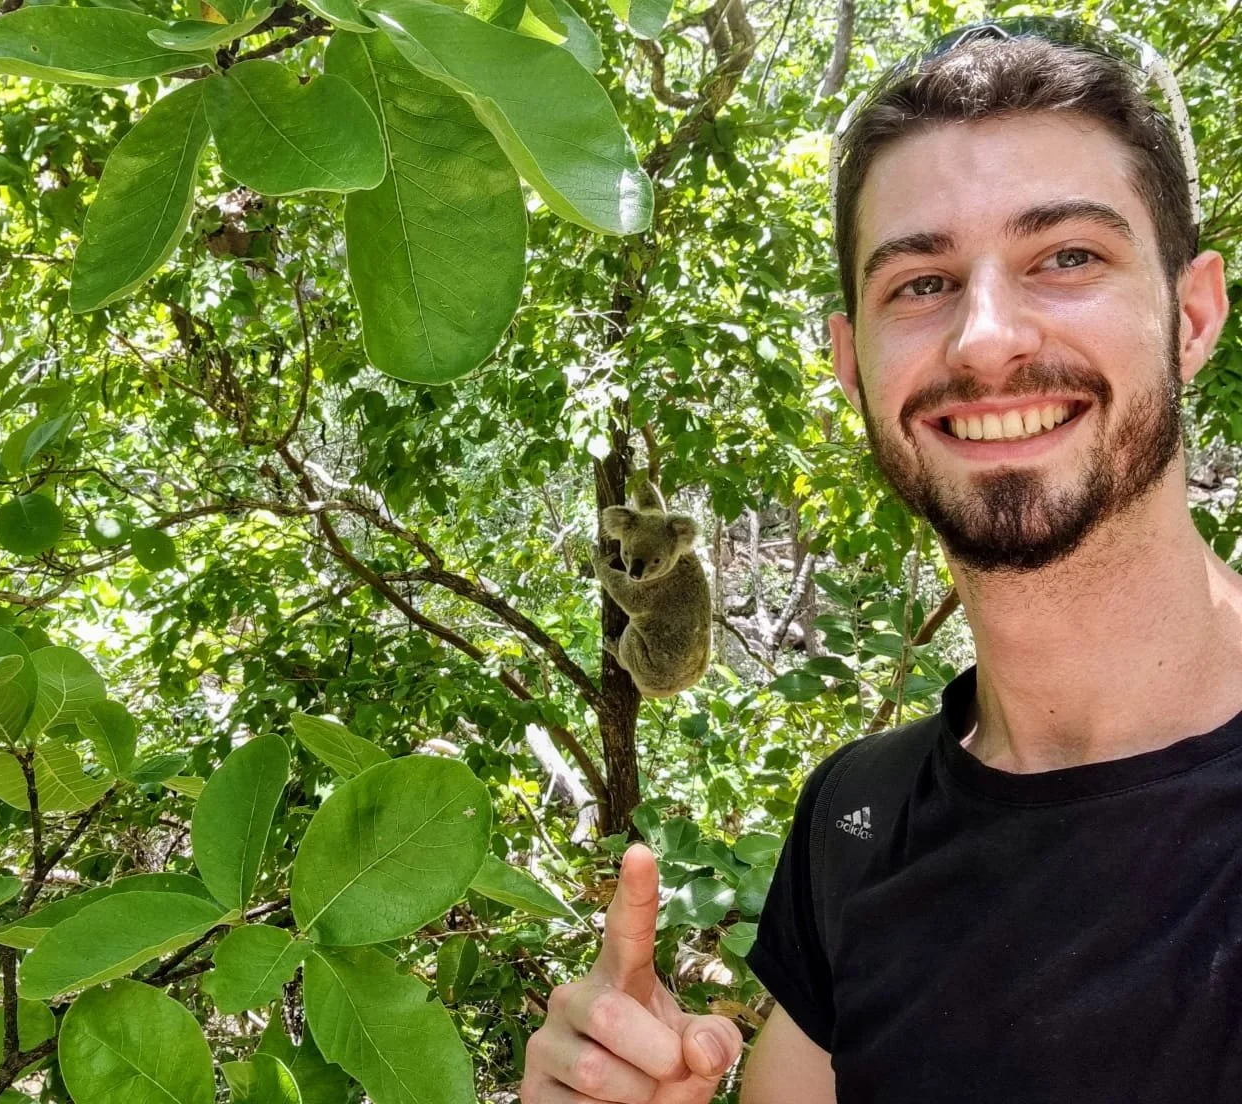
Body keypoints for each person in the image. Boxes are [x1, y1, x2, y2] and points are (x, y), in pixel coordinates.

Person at [520, 16, 1236, 1103]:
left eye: (1066, 257)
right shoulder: (855, 817)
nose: (984, 337)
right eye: (919, 281)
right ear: (850, 362)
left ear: (1189, 316)